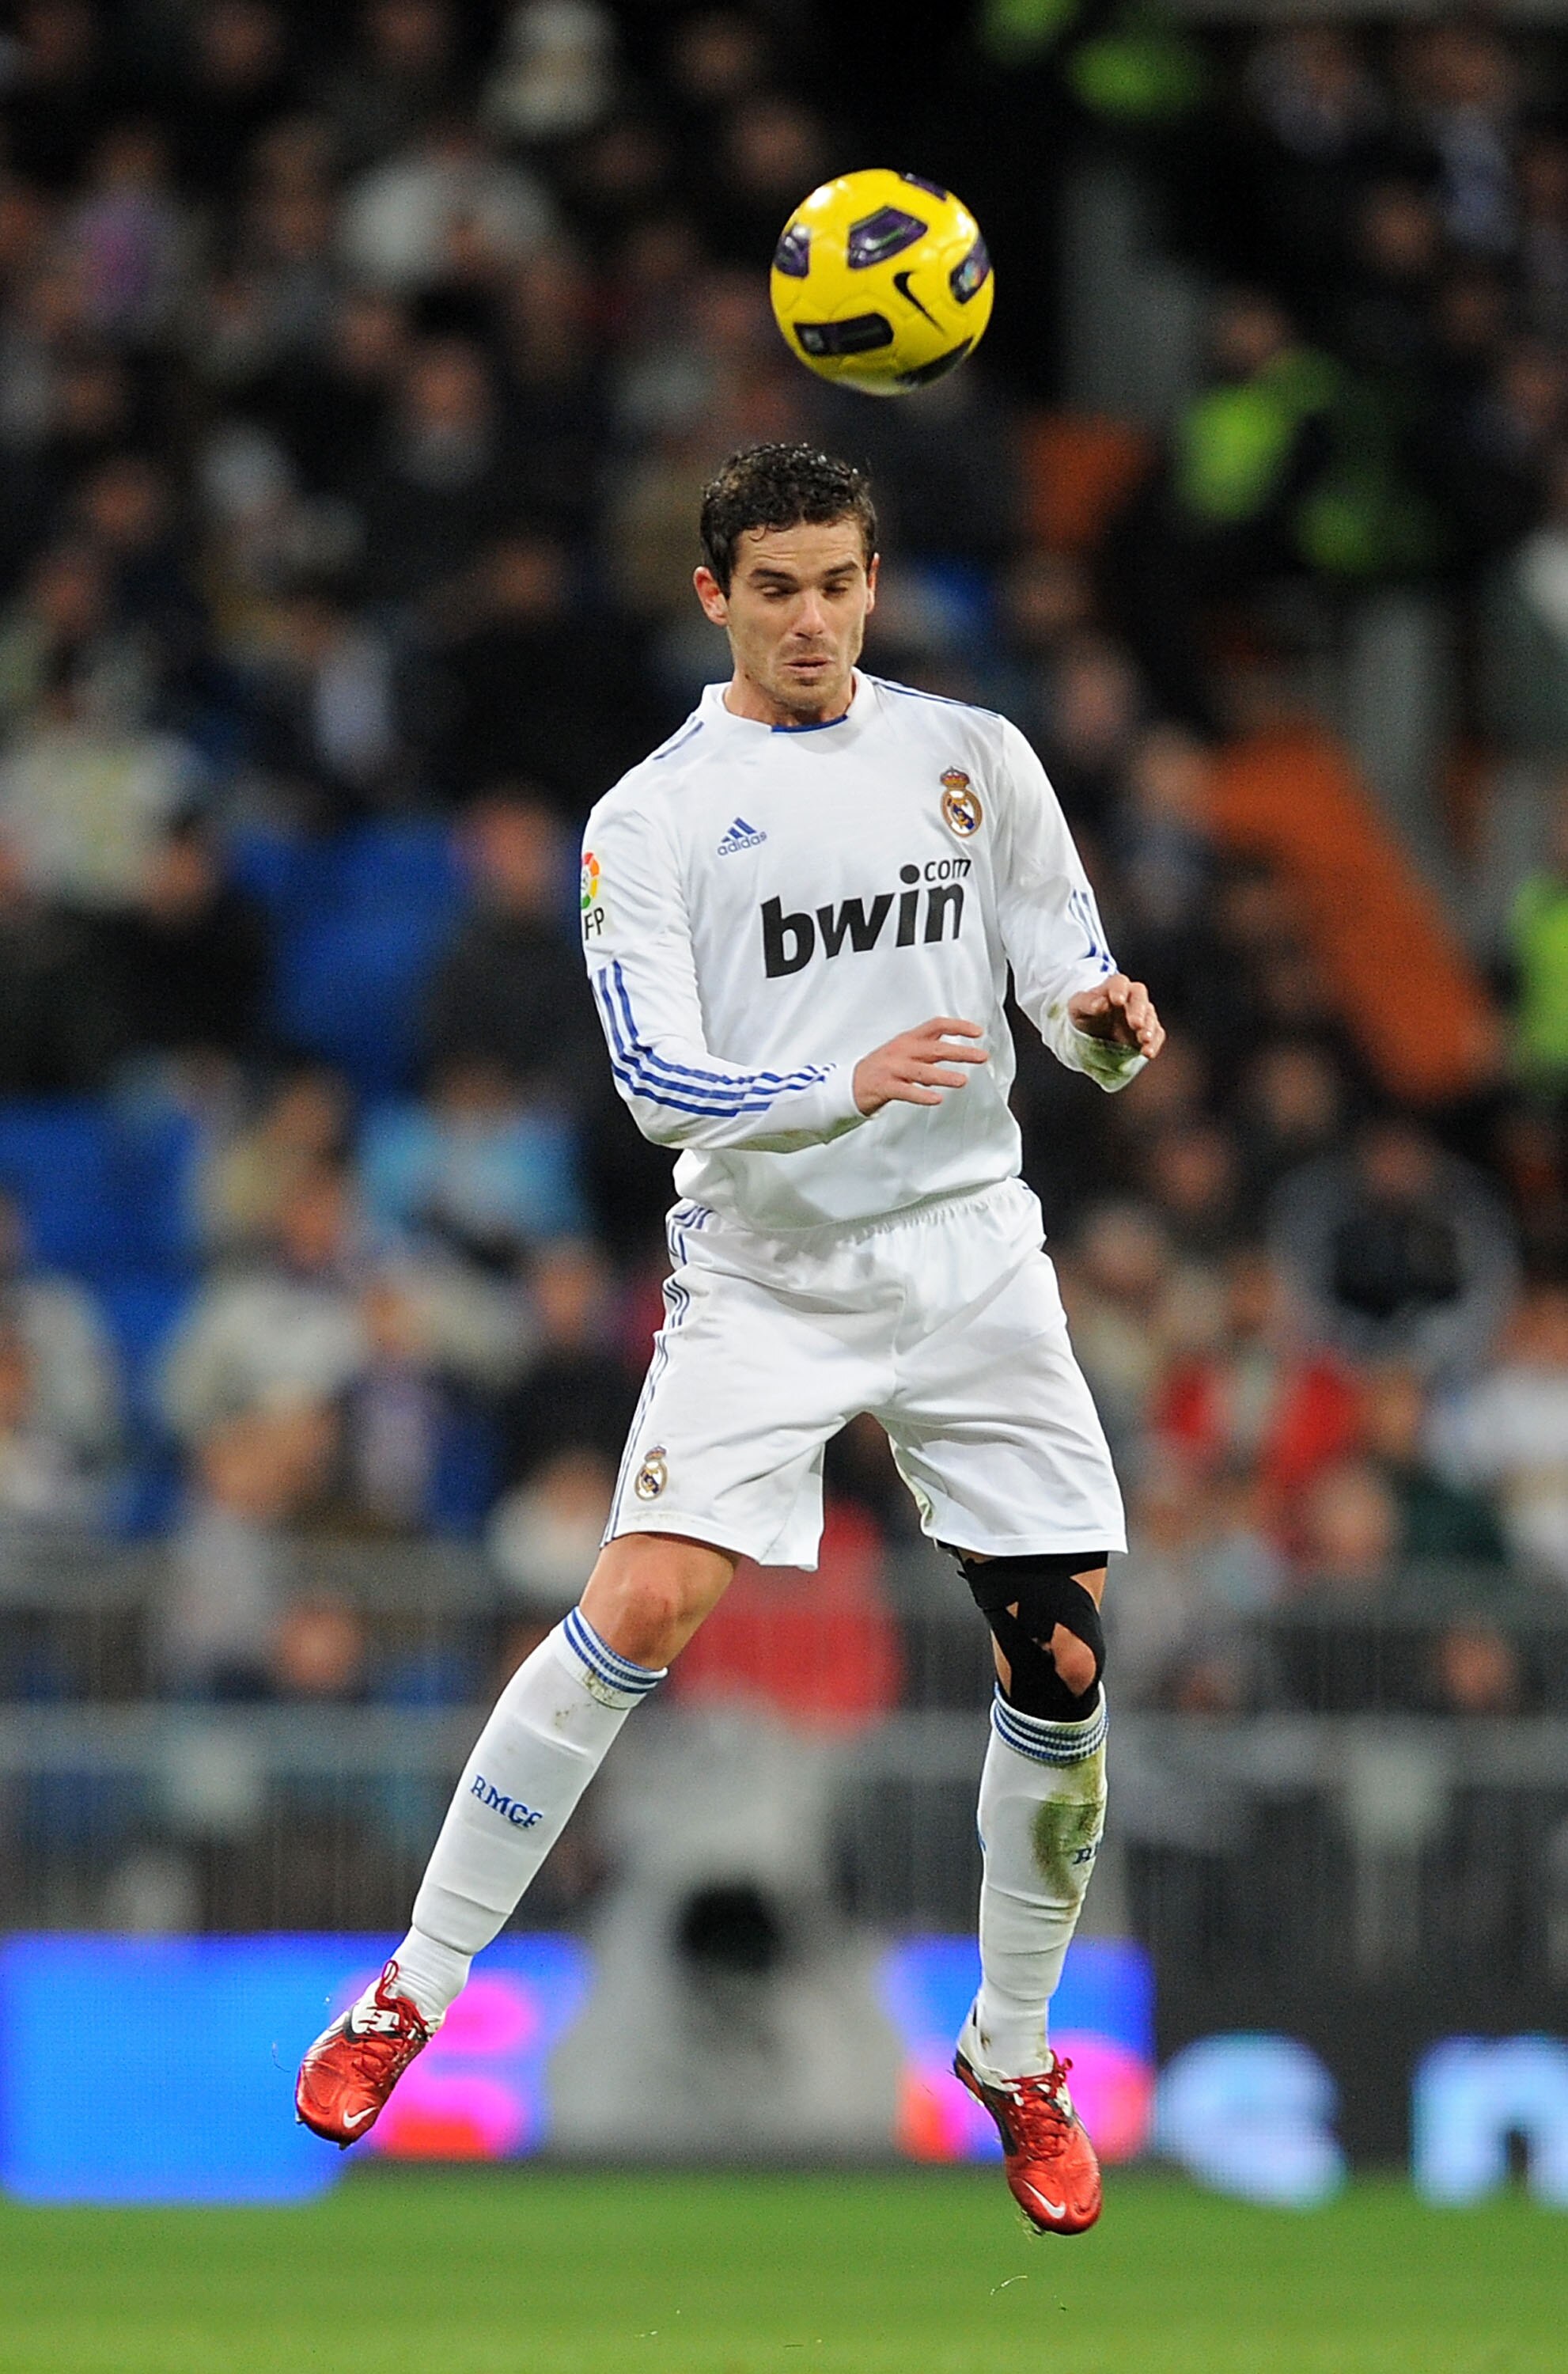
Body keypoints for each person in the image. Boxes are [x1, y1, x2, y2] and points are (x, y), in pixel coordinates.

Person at [296, 442, 1165, 2235]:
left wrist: (1104, 1028)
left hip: (968, 1254)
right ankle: (411, 1990)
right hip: (768, 1268)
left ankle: (1011, 2057)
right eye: (773, 587)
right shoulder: (656, 815)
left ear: (870, 580)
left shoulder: (973, 757)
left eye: (837, 582)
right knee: (639, 1607)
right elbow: (652, 1082)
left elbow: (1065, 990)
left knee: (1063, 1673)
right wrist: (834, 1084)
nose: (810, 619)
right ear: (716, 598)